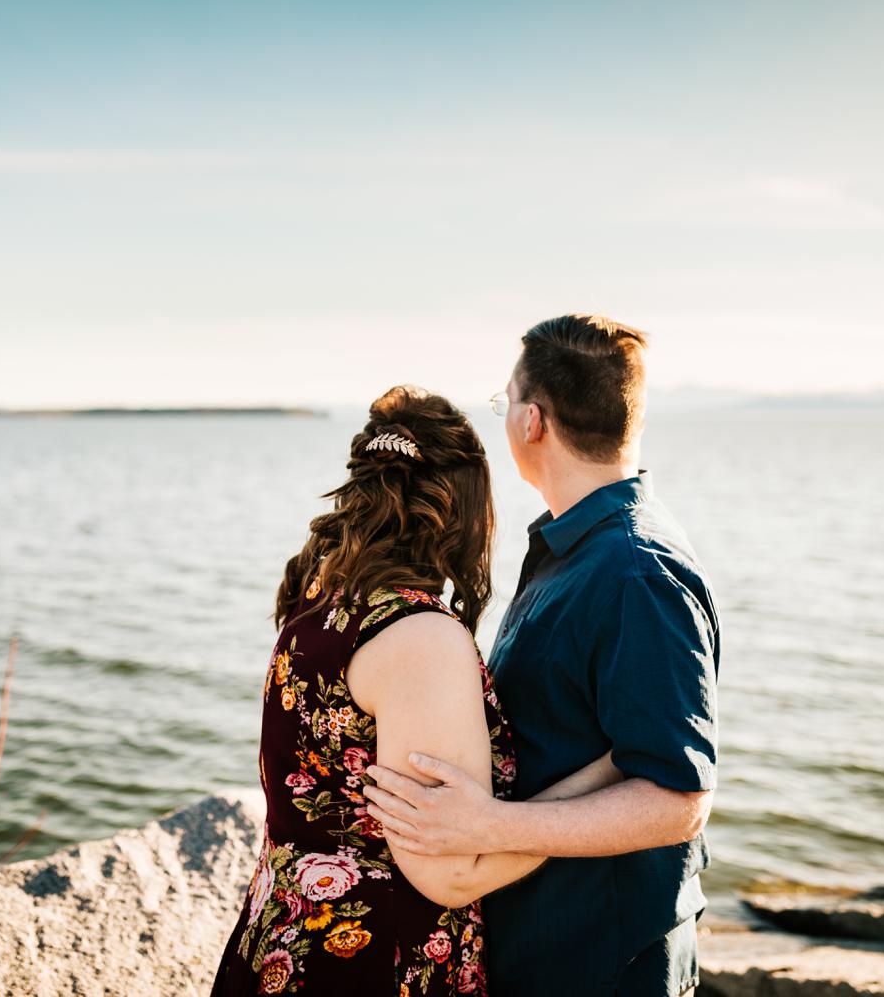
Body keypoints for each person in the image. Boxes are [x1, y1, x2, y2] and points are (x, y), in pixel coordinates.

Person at [210, 385, 627, 997]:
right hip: (372, 961)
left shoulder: (318, 600)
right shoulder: (420, 639)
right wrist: (609, 772)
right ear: (463, 509)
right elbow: (453, 874)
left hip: (279, 942)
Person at [363, 315, 720, 997]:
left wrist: (488, 824)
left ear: (532, 420)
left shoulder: (635, 572)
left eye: (503, 404)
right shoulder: (577, 547)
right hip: (547, 942)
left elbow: (678, 797)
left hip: (603, 958)